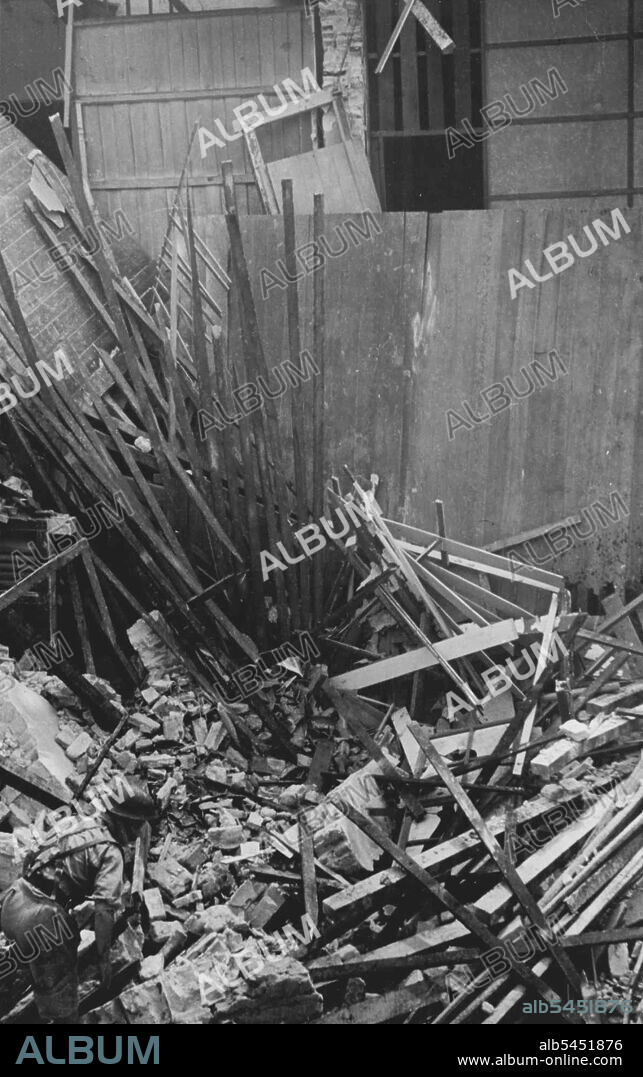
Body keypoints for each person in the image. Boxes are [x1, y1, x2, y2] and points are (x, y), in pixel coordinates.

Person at [0, 781, 156, 1024]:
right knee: (62, 1004)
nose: (137, 835)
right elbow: (104, 912)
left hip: (13, 898)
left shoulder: (74, 821)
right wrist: (104, 960)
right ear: (127, 823)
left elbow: (31, 852)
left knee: (26, 967)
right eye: (137, 828)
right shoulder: (110, 852)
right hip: (41, 919)